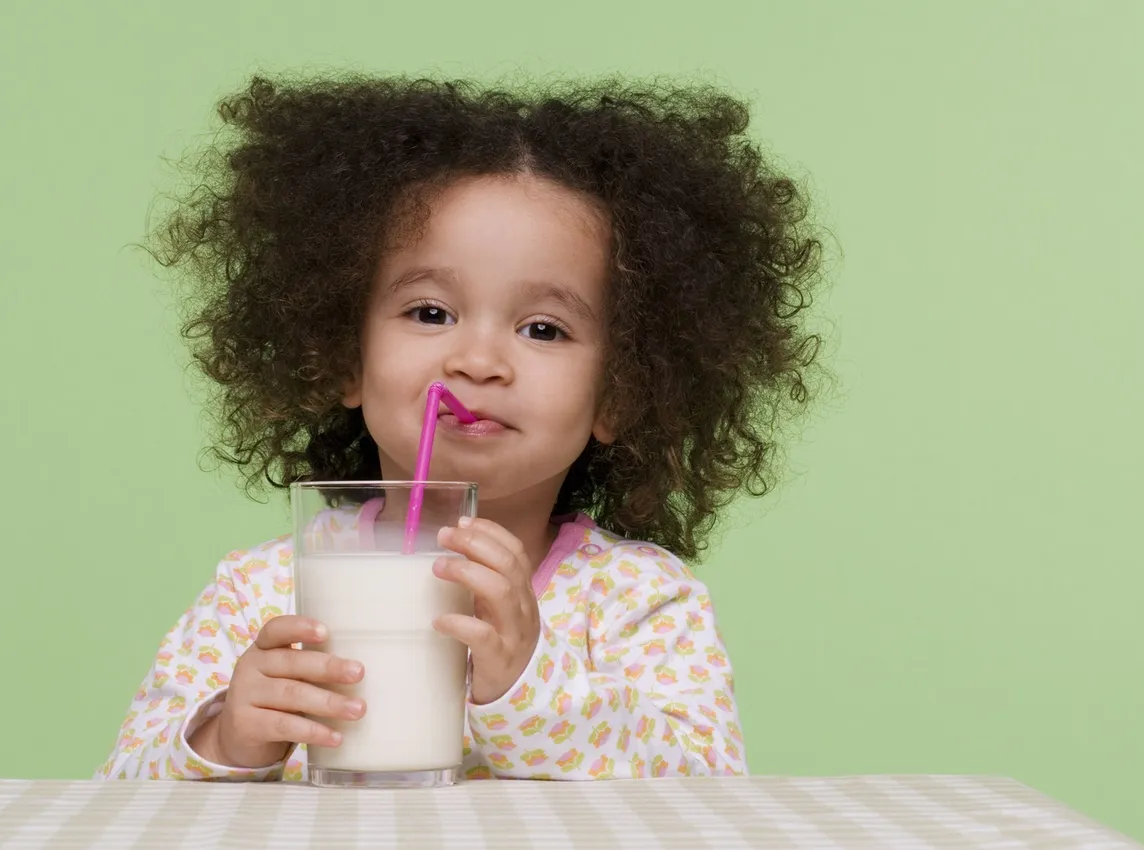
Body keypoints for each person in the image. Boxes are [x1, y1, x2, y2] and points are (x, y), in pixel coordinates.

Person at [98, 73, 826, 781]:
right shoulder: (262, 591)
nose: (477, 360)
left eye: (543, 328)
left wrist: (529, 682)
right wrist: (227, 737)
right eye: (430, 313)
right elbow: (119, 792)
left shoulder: (639, 602)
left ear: (621, 394)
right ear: (342, 359)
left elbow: (712, 796)